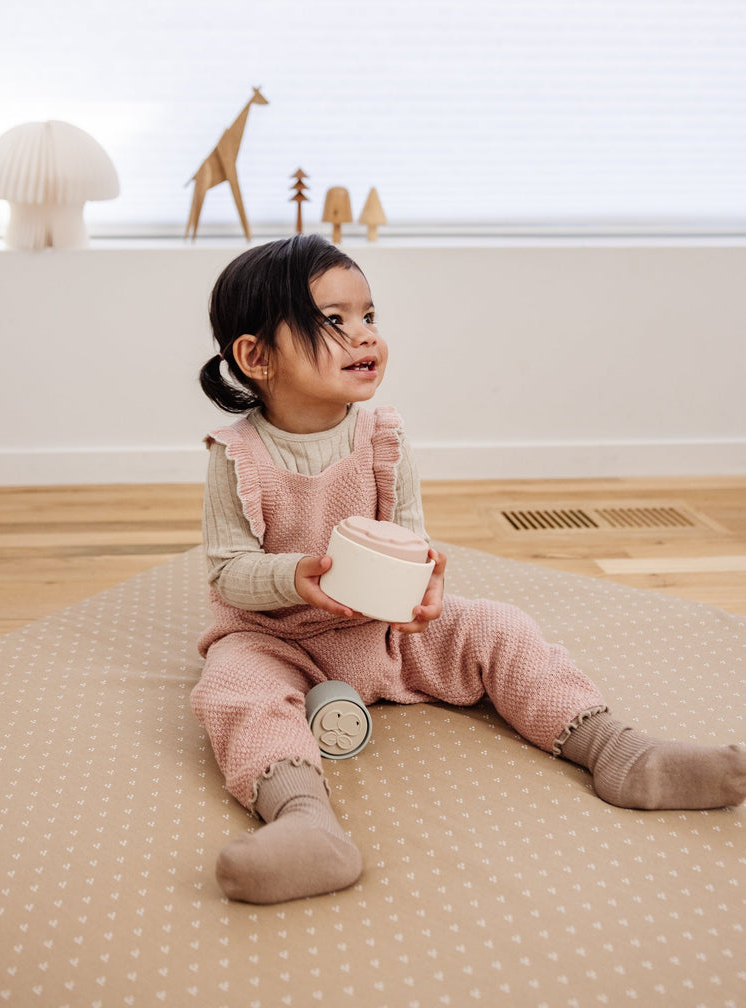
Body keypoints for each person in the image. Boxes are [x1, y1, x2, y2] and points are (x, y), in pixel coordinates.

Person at [192, 235, 745, 905]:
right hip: (278, 641)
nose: (364, 336)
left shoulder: (383, 437)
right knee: (231, 688)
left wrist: (423, 584)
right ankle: (305, 821)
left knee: (497, 626)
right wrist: (296, 574)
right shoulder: (237, 455)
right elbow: (228, 572)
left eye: (370, 316)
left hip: (383, 632)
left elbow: (410, 534)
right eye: (333, 321)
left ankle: (617, 751)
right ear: (255, 356)